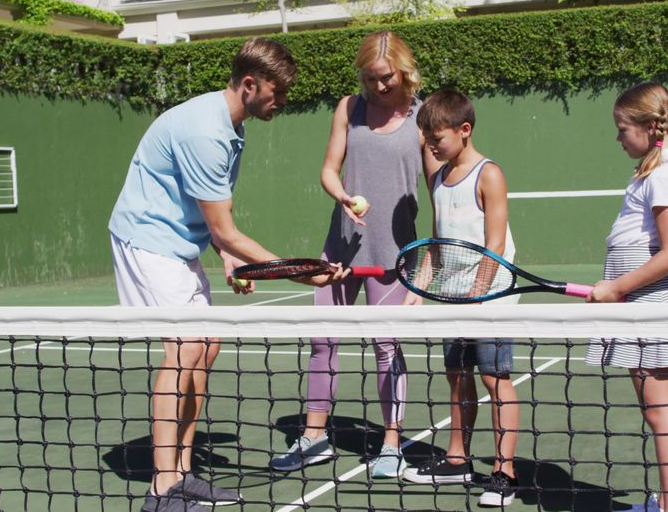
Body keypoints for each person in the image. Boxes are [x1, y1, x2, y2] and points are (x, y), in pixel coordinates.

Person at [109, 37, 347, 512]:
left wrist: (226, 253)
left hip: (178, 243)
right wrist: (305, 274)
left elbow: (212, 219)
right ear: (250, 84)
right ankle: (162, 487)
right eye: (277, 92)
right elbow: (226, 228)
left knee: (208, 344)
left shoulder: (230, 125)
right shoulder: (206, 132)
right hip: (148, 241)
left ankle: (182, 471)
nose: (283, 100)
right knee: (185, 348)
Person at [268, 30, 439, 479]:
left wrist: (426, 265)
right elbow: (328, 168)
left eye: (385, 78)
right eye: (370, 79)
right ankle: (314, 436)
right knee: (323, 340)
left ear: (403, 70)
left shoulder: (424, 118)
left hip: (394, 255)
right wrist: (342, 194)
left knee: (387, 347)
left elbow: (440, 195)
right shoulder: (349, 107)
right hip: (340, 249)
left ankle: (390, 444)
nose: (378, 87)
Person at [400, 89, 521, 507]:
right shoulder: (438, 178)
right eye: (427, 140)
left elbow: (494, 243)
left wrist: (478, 292)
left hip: (491, 299)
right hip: (455, 297)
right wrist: (418, 288)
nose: (431, 146)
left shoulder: (490, 174)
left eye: (437, 138)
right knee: (457, 376)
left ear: (465, 130)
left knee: (494, 378)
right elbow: (436, 243)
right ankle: (457, 460)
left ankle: (505, 472)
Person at [585, 82, 668, 512]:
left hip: (650, 308)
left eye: (622, 129)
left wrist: (615, 287)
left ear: (651, 128)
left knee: (662, 415)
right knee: (660, 413)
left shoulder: (666, 175)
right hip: (635, 307)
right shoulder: (654, 171)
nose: (618, 138)